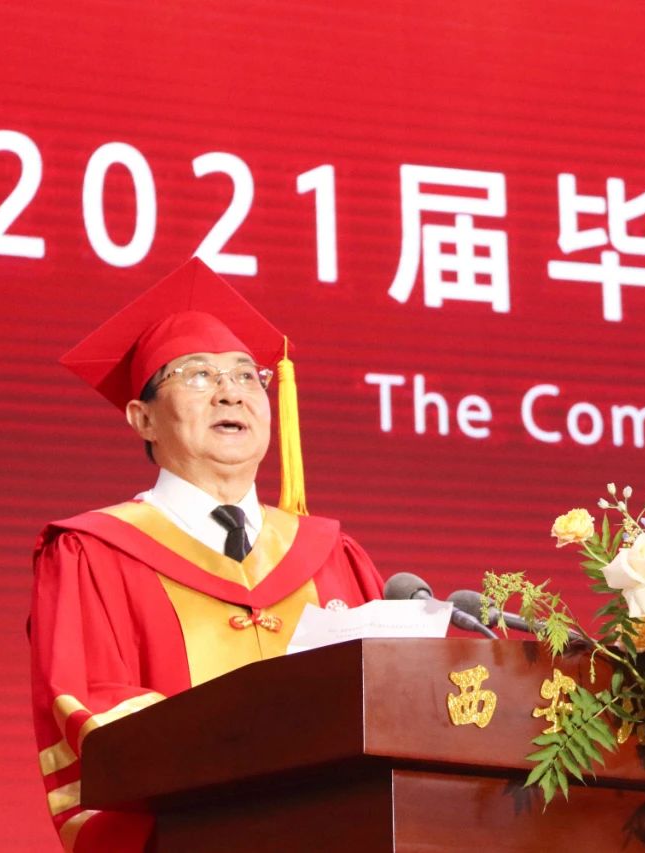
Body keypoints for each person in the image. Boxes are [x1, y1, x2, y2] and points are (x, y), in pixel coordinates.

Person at [29, 258, 383, 852]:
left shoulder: (332, 555)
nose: (230, 392)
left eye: (247, 376)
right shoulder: (92, 554)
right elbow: (92, 713)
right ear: (143, 418)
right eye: (197, 375)